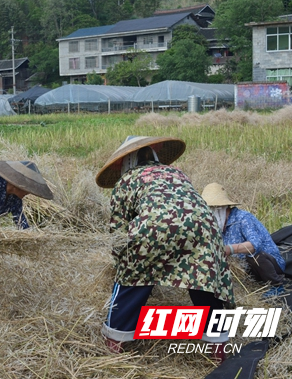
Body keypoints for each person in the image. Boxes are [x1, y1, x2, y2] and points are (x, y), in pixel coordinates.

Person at [95, 136, 234, 363]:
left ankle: (113, 347)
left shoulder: (126, 180)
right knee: (204, 282)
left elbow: (119, 232)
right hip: (203, 228)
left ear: (125, 162)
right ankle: (219, 351)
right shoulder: (178, 173)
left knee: (132, 278)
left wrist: (120, 263)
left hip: (153, 227)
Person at [202, 183, 286, 298]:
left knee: (256, 256)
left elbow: (255, 245)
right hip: (247, 270)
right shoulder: (219, 226)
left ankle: (276, 285)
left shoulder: (243, 218)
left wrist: (230, 249)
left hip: (269, 265)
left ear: (220, 209)